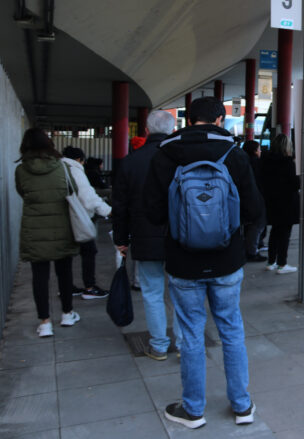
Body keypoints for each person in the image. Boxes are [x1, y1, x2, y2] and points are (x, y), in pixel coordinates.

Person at [144, 97, 263, 429]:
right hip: (227, 261)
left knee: (191, 334)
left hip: (183, 262)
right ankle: (242, 406)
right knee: (231, 330)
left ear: (188, 120)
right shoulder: (234, 154)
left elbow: (153, 213)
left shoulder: (165, 154)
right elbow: (254, 210)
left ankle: (193, 409)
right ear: (220, 120)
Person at [112, 111, 183, 361]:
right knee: (181, 293)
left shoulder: (130, 162)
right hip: (179, 238)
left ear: (146, 130)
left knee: (152, 293)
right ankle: (184, 344)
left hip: (144, 236)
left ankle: (159, 346)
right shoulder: (181, 158)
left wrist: (121, 239)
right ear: (173, 130)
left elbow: (119, 206)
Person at [15, 128, 81, 337]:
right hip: (62, 227)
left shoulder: (21, 170)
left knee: (39, 276)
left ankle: (44, 323)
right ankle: (67, 314)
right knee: (65, 272)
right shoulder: (62, 166)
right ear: (48, 144)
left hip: (34, 230)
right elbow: (73, 191)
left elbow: (22, 193)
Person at [61, 146, 112, 300]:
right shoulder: (75, 170)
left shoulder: (58, 168)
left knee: (65, 255)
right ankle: (89, 287)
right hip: (77, 217)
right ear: (79, 160)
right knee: (89, 251)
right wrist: (107, 211)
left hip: (61, 218)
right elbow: (87, 196)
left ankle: (66, 287)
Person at [261, 133, 300, 274]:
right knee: (284, 234)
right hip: (287, 203)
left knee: (274, 232)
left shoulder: (265, 161)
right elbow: (295, 184)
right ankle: (282, 264)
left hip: (271, 202)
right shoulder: (288, 163)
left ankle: (271, 262)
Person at [242, 140, 267, 262]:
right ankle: (252, 251)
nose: (260, 151)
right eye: (259, 149)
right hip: (255, 197)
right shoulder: (256, 163)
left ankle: (251, 247)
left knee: (250, 225)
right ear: (254, 151)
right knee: (257, 224)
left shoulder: (244, 162)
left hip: (246, 197)